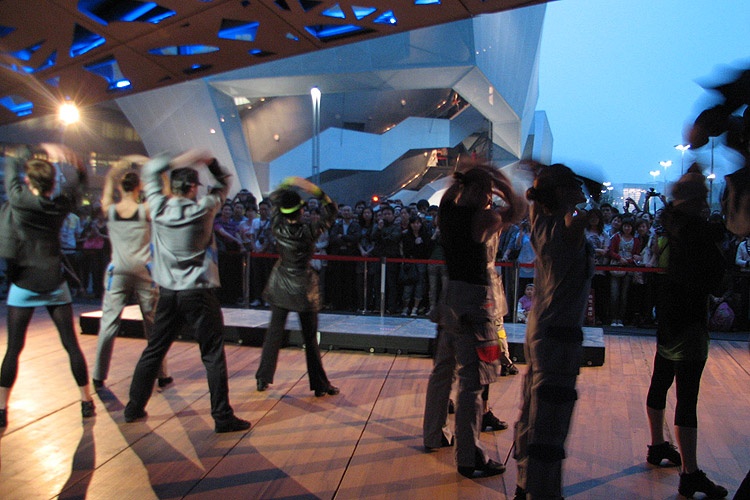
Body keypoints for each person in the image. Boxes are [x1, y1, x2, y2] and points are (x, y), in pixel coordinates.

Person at [124, 151, 250, 433]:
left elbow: (150, 171)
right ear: (193, 187)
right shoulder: (204, 208)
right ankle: (222, 416)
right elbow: (224, 181)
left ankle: (133, 407)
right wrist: (209, 161)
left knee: (155, 350)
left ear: (173, 187)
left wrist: (181, 159)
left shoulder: (158, 207)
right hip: (199, 292)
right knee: (212, 354)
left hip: (169, 292)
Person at [422, 162, 525, 479]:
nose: (491, 199)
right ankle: (469, 456)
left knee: (443, 368)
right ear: (481, 191)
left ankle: (434, 434)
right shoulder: (484, 218)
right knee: (473, 383)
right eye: (488, 193)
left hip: (450, 298)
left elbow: (452, 194)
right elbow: (517, 209)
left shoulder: (447, 212)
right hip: (476, 303)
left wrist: (466, 180)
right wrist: (500, 181)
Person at [645, 165, 728, 498]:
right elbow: (717, 281)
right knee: (687, 397)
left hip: (667, 316)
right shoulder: (702, 234)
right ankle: (690, 474)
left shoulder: (669, 221)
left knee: (660, 380)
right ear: (695, 200)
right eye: (703, 196)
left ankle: (657, 445)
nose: (707, 202)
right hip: (691, 320)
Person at [513, 163, 594, 500]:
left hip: (541, 329)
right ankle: (543, 492)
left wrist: (544, 179)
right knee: (550, 418)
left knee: (532, 408)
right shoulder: (568, 228)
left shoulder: (540, 222)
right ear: (562, 192)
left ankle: (524, 483)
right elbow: (582, 217)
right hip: (560, 335)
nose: (581, 189)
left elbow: (541, 198)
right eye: (574, 184)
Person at [0, 144, 95, 428]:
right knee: (71, 345)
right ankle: (86, 401)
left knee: (14, 349)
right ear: (53, 183)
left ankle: (1, 408)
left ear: (28, 181)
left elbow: (11, 169)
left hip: (24, 282)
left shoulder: (19, 200)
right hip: (54, 281)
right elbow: (80, 184)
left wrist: (30, 151)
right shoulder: (60, 205)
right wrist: (76, 164)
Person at [255, 176, 340, 397]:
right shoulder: (310, 231)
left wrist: (286, 184)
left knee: (274, 333)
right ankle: (320, 385)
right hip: (303, 287)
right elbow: (332, 210)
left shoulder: (277, 225)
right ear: (301, 211)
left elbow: (275, 199)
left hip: (280, 284)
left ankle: (263, 378)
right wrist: (316, 191)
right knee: (310, 339)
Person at [92, 158, 171, 391]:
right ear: (139, 187)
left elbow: (108, 183)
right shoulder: (144, 210)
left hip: (118, 270)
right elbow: (165, 196)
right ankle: (161, 374)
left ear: (120, 187)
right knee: (152, 324)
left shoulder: (110, 210)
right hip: (144, 270)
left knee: (109, 322)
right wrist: (158, 171)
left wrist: (117, 168)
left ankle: (98, 375)